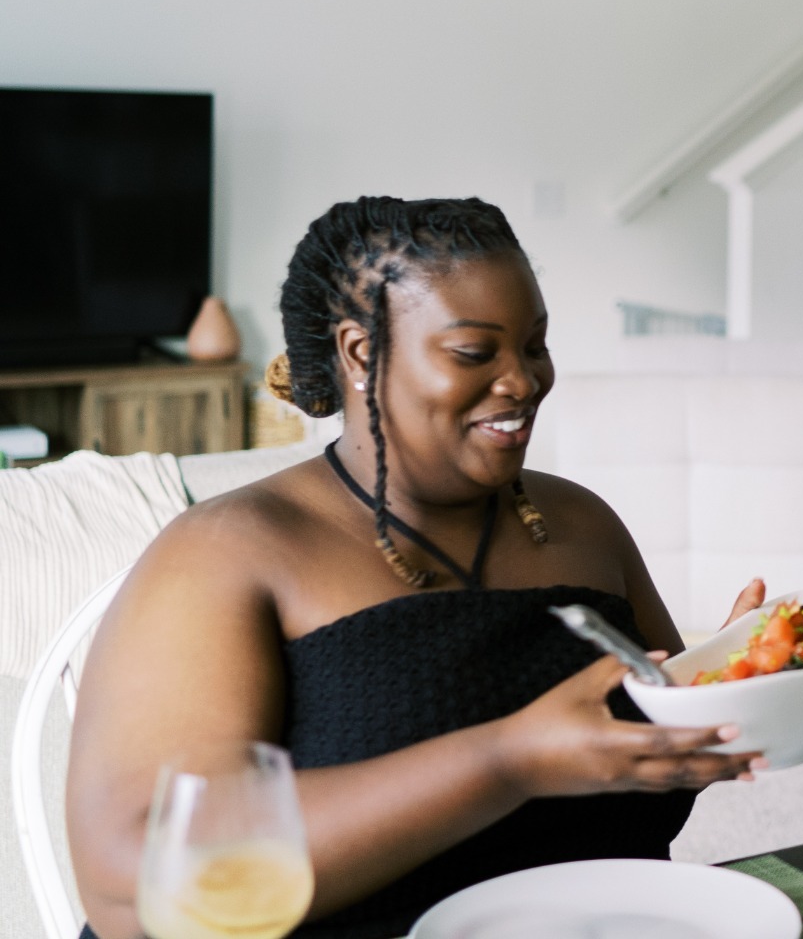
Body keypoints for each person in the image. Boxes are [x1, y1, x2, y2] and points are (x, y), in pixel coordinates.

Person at [67, 197, 765, 939]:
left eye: (535, 346)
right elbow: (131, 883)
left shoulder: (582, 524)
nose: (523, 382)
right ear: (362, 353)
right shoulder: (227, 552)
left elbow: (646, 774)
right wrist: (507, 761)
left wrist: (733, 690)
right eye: (475, 352)